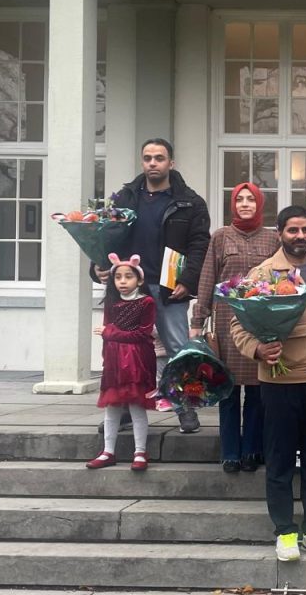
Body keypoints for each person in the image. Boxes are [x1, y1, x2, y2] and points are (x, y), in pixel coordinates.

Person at [230, 206, 306, 563]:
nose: (301, 236)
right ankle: (285, 531)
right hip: (282, 382)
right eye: (293, 230)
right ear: (280, 233)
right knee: (278, 459)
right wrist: (258, 349)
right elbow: (238, 325)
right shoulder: (263, 274)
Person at [93, 138, 211, 434]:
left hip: (168, 287)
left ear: (171, 163)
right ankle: (123, 409)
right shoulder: (124, 199)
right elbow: (105, 237)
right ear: (142, 162)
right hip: (127, 288)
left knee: (179, 350)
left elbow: (199, 244)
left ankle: (186, 407)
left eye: (159, 158)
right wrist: (97, 267)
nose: (152, 163)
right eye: (147, 158)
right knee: (124, 350)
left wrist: (188, 280)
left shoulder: (190, 202)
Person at [190, 182, 280, 473]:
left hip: (258, 321)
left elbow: (281, 281)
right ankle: (230, 452)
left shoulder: (272, 239)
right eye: (239, 199)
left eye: (250, 200)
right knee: (228, 392)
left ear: (259, 204)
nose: (244, 204)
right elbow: (207, 279)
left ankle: (252, 450)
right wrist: (197, 322)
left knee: (257, 391)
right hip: (227, 324)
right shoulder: (220, 236)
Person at [86, 253, 156, 472]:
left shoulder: (146, 302)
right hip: (115, 362)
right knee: (112, 406)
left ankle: (140, 452)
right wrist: (108, 349)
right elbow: (108, 331)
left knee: (136, 406)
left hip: (137, 362)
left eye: (128, 277)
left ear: (140, 280)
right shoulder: (112, 302)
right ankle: (108, 451)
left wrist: (111, 333)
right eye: (118, 278)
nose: (123, 282)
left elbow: (142, 334)